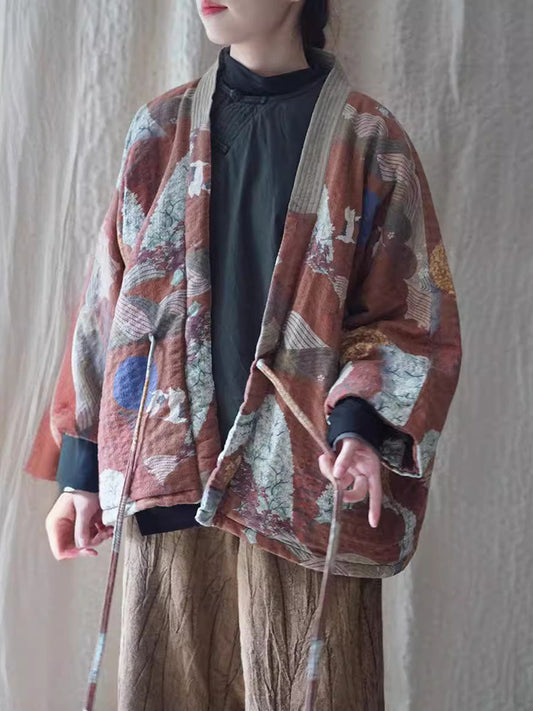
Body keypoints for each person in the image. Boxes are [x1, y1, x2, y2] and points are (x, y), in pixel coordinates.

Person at [24, 1, 462, 709]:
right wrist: (81, 471)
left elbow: (408, 317)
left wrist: (361, 427)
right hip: (171, 484)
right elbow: (110, 303)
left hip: (305, 495)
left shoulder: (368, 141)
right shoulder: (160, 130)